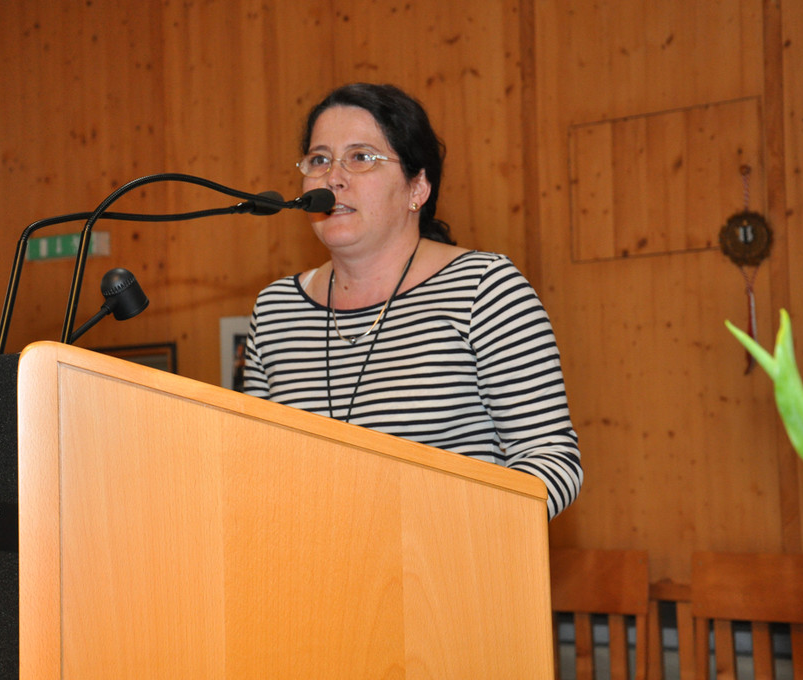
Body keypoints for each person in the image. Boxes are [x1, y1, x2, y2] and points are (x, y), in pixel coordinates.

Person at [243, 83, 582, 519]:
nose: (333, 178)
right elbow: (260, 468)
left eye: (361, 157)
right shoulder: (276, 310)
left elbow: (551, 459)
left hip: (452, 555)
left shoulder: (483, 288)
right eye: (319, 159)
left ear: (417, 187)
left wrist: (459, 532)